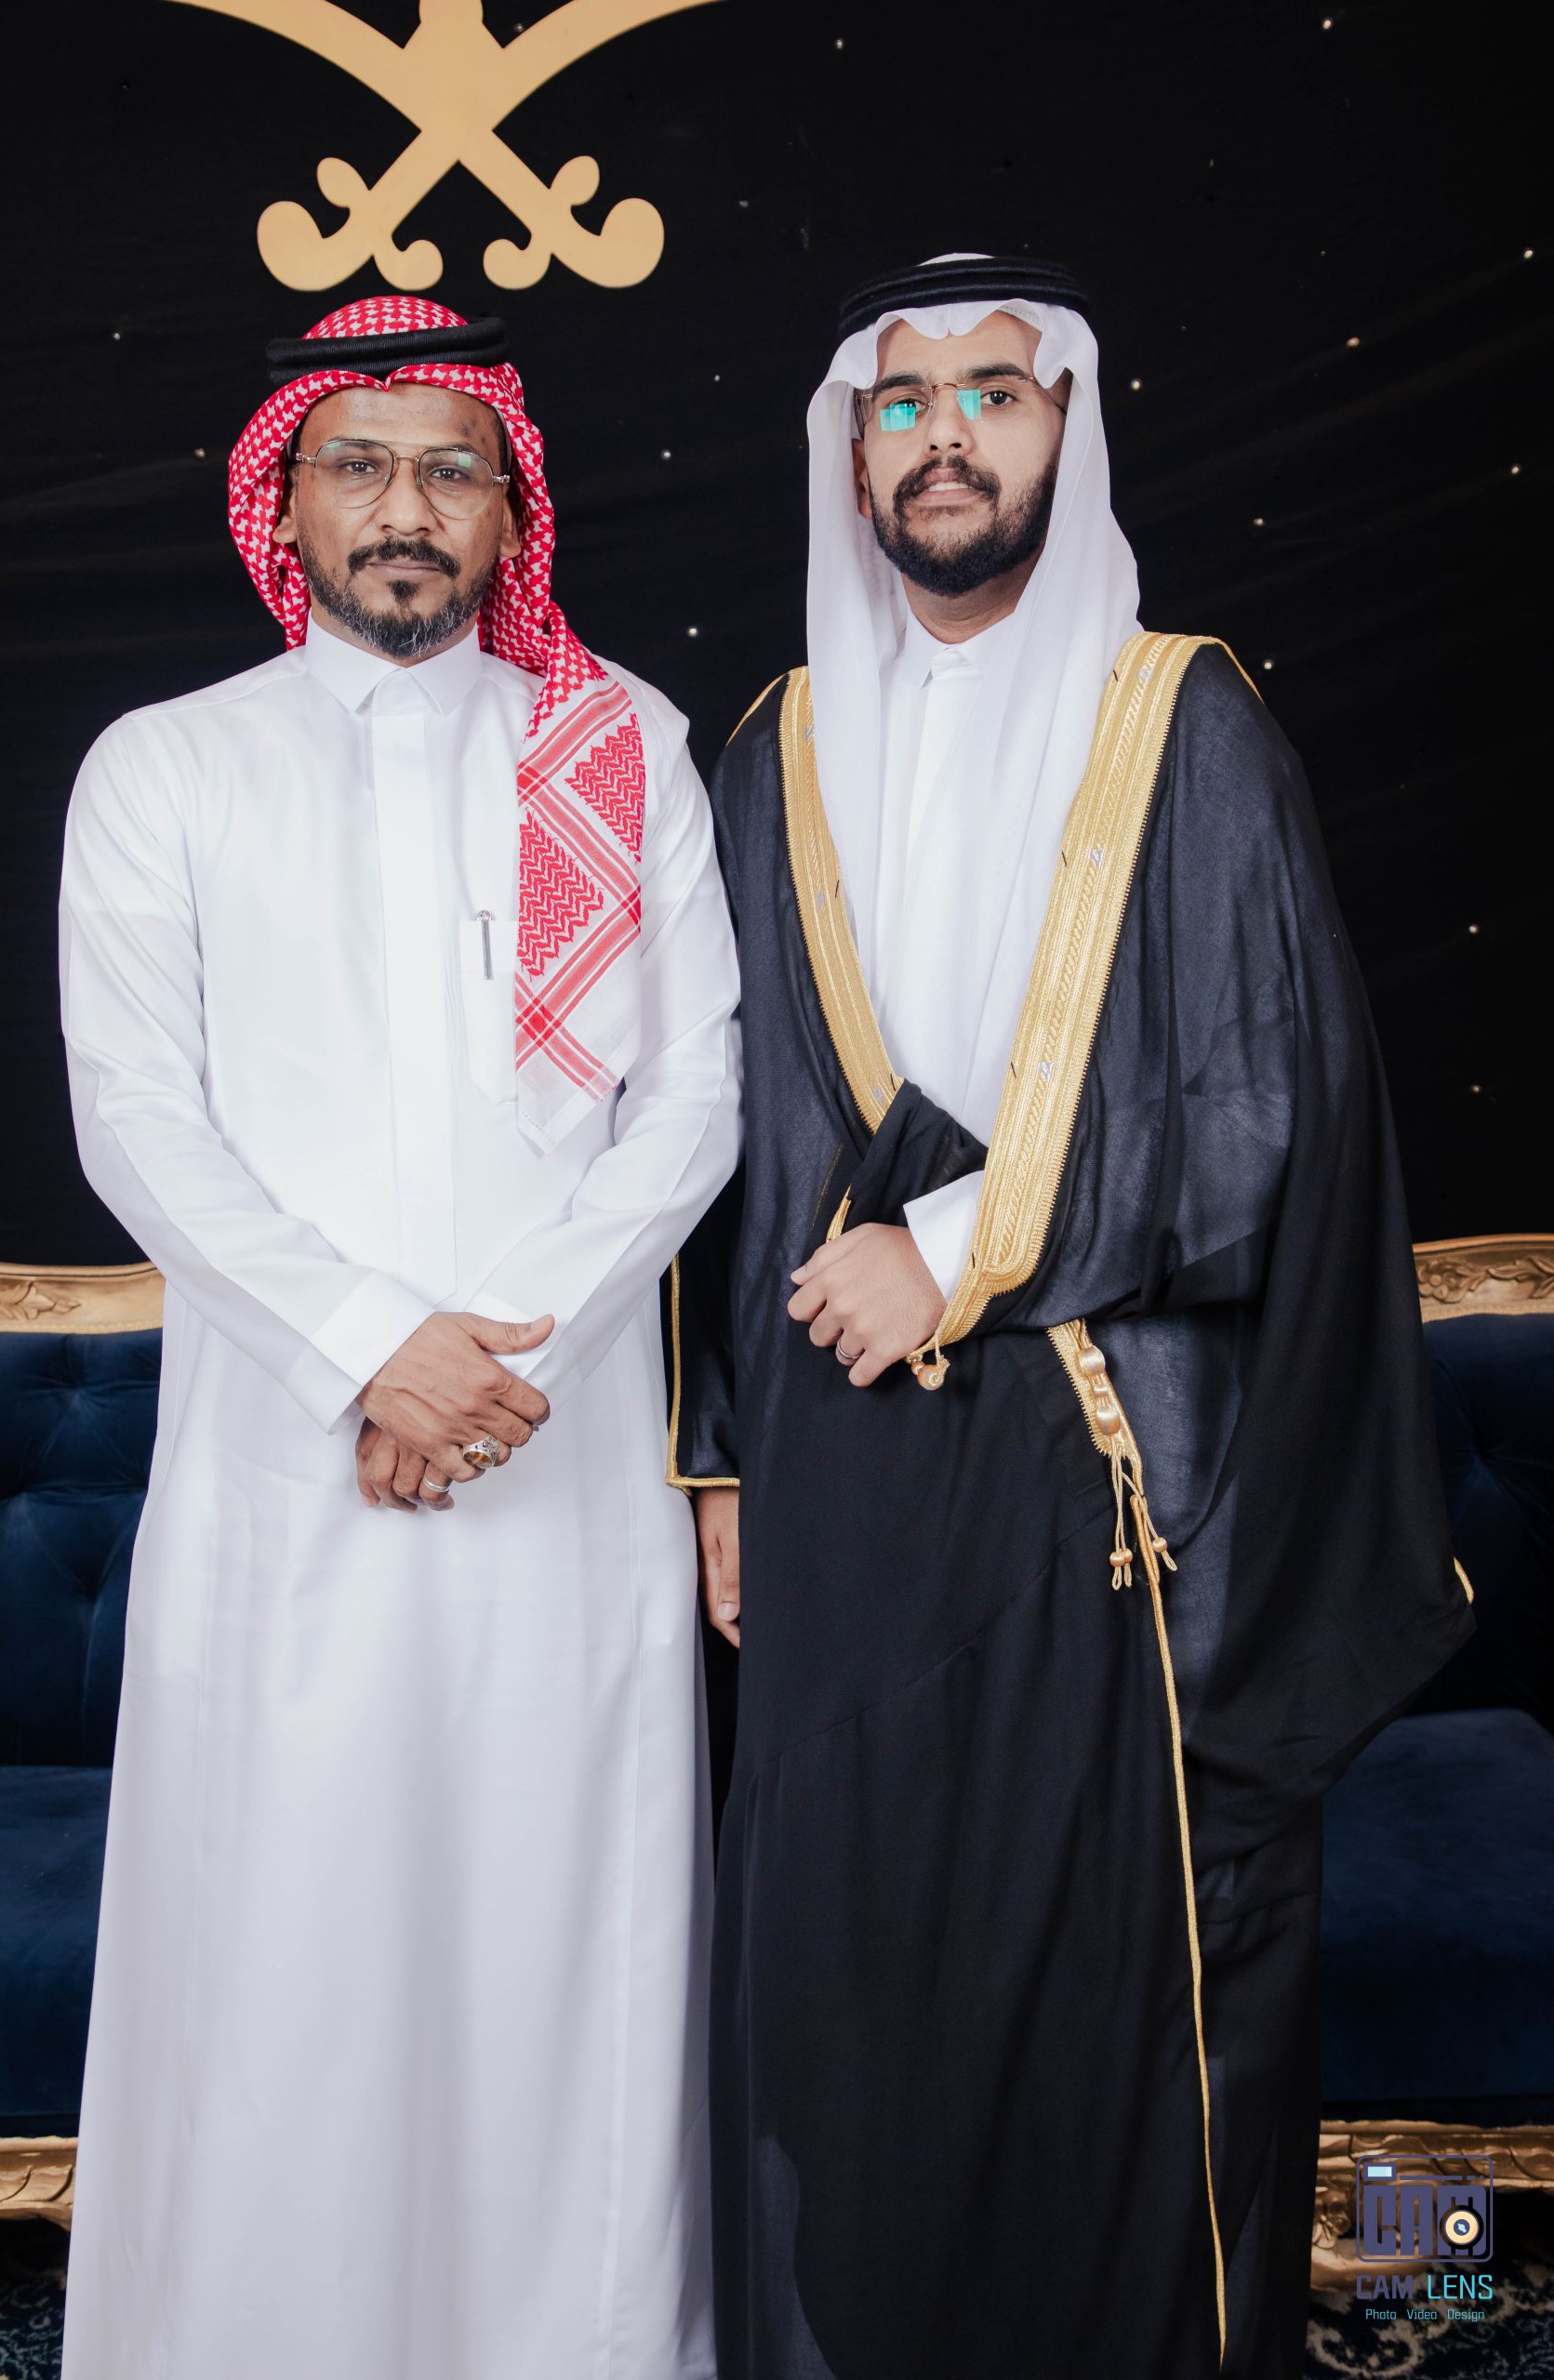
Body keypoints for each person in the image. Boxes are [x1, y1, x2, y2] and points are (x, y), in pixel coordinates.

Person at [669, 253, 1477, 2380]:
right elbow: (730, 1141)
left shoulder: (1179, 719)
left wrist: (959, 1244)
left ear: (1064, 429)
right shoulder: (770, 752)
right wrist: (721, 1456)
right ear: (853, 448)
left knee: (1125, 2019)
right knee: (855, 2002)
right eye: (901, 399)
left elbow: (1260, 1107)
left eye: (992, 393)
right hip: (845, 1482)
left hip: (1123, 1491)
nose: (943, 434)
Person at [58, 295, 739, 2380]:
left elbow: (697, 1099)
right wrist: (374, 1349)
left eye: (452, 467)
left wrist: (491, 1369)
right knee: (281, 1960)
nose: (405, 507)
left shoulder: (620, 746)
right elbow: (136, 1121)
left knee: (557, 1960)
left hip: (559, 1463)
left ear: (509, 510)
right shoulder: (166, 766)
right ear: (283, 506)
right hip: (286, 1475)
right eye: (356, 464)